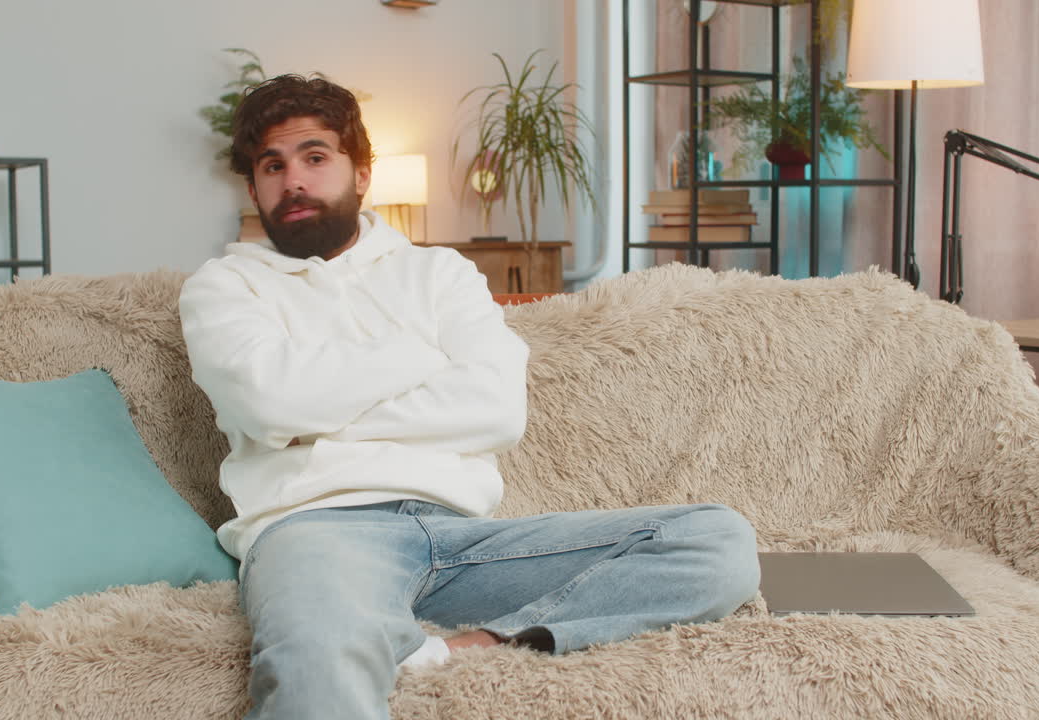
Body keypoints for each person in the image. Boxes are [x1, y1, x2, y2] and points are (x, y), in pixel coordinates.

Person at [178, 74, 760, 720]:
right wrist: (416, 354)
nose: (294, 181)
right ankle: (370, 630)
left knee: (718, 541)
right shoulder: (224, 287)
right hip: (317, 531)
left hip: (460, 537)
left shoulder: (439, 274)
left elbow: (495, 409)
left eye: (315, 158)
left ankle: (468, 647)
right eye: (273, 165)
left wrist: (321, 414)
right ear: (254, 185)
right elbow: (270, 405)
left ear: (361, 173)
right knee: (318, 653)